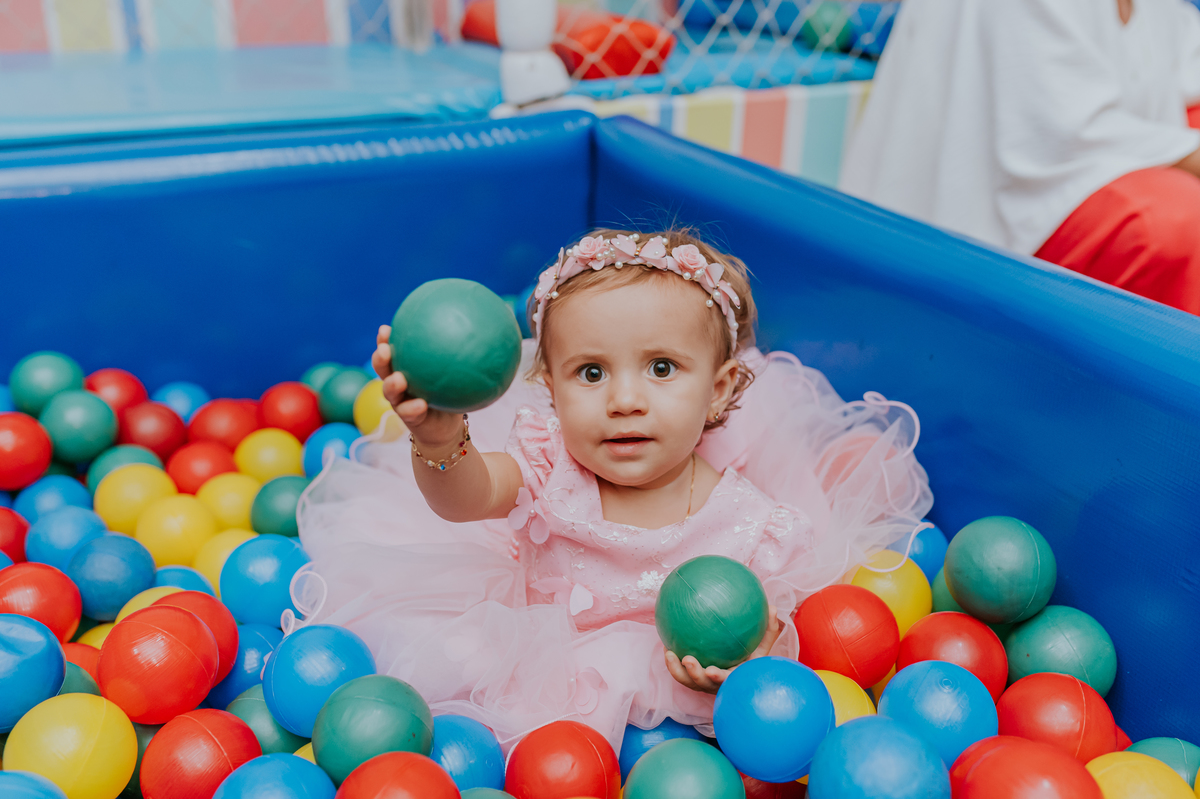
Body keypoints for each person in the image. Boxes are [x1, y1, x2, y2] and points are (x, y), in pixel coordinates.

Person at [289, 229, 931, 751]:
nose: (625, 400)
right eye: (590, 372)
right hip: (534, 673)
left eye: (661, 369)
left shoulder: (752, 526)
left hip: (665, 723)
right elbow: (468, 497)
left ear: (720, 390)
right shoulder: (547, 469)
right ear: (551, 389)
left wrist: (744, 662)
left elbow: (773, 634)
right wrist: (436, 438)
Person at [841, 0, 1200, 314]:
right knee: (1178, 220)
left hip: (1073, 168)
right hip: (993, 217)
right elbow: (1060, 132)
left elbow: (1181, 62)